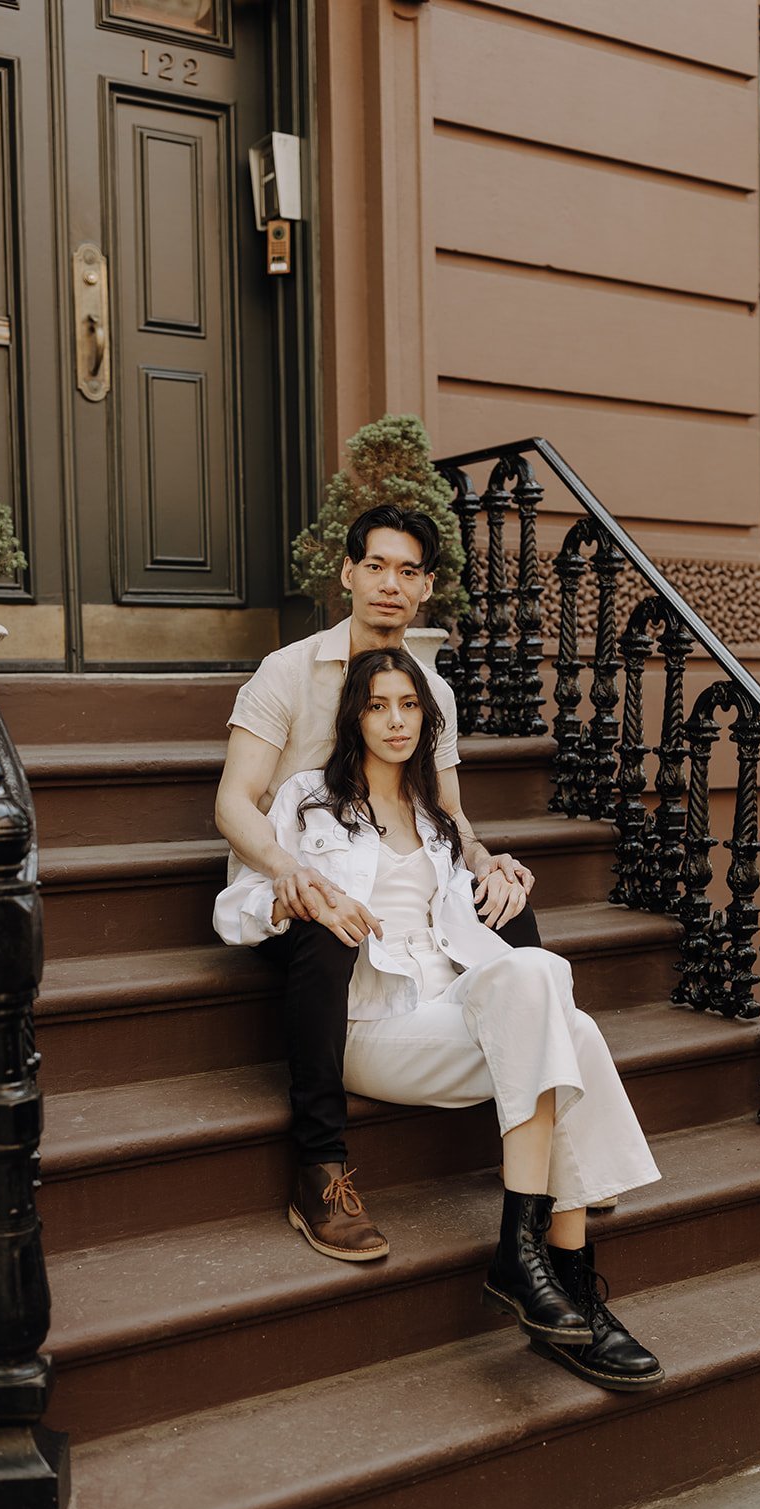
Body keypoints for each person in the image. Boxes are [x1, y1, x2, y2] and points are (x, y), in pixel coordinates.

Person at [215, 650, 664, 1391]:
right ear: (353, 718)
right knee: (560, 1020)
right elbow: (233, 910)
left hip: (448, 1006)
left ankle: (555, 1280)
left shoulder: (437, 820)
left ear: (427, 719)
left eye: (409, 705)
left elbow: (474, 925)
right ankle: (550, 1270)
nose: (395, 720)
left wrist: (495, 872)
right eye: (378, 705)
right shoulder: (303, 801)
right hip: (371, 1023)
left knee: (558, 1006)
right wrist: (288, 897)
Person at [214, 505, 544, 1264]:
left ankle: (538, 1129)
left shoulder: (429, 692)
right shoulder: (287, 672)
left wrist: (487, 862)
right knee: (328, 929)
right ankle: (320, 1169)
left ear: (425, 587)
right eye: (375, 566)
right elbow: (234, 802)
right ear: (348, 573)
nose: (389, 585)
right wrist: (289, 873)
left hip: (398, 877)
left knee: (513, 920)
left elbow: (449, 813)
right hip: (290, 883)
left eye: (407, 571)